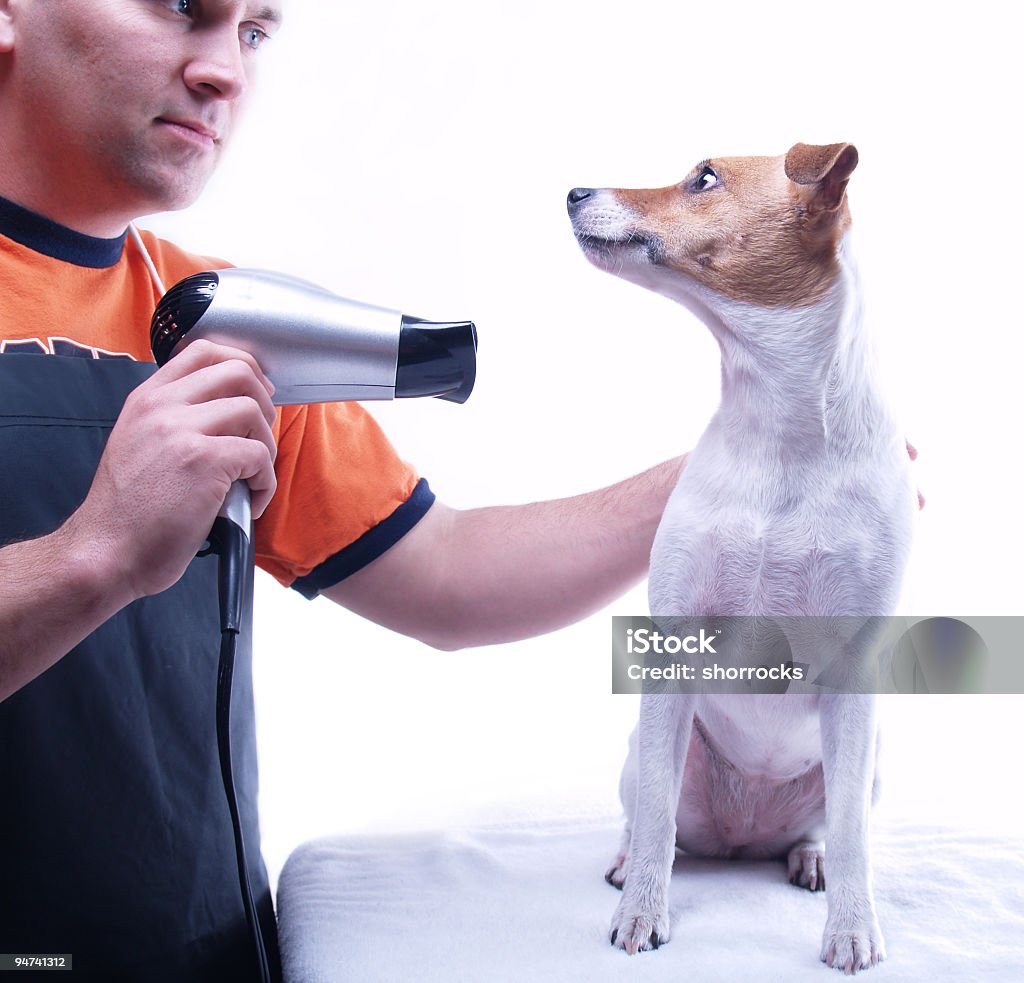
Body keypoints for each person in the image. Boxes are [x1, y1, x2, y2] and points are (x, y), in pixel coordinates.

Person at [0, 3, 684, 979]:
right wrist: (96, 552)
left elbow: (448, 576)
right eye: (184, 8)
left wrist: (711, 482)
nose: (226, 71)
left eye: (255, 32)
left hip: (201, 956)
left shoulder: (222, 324)